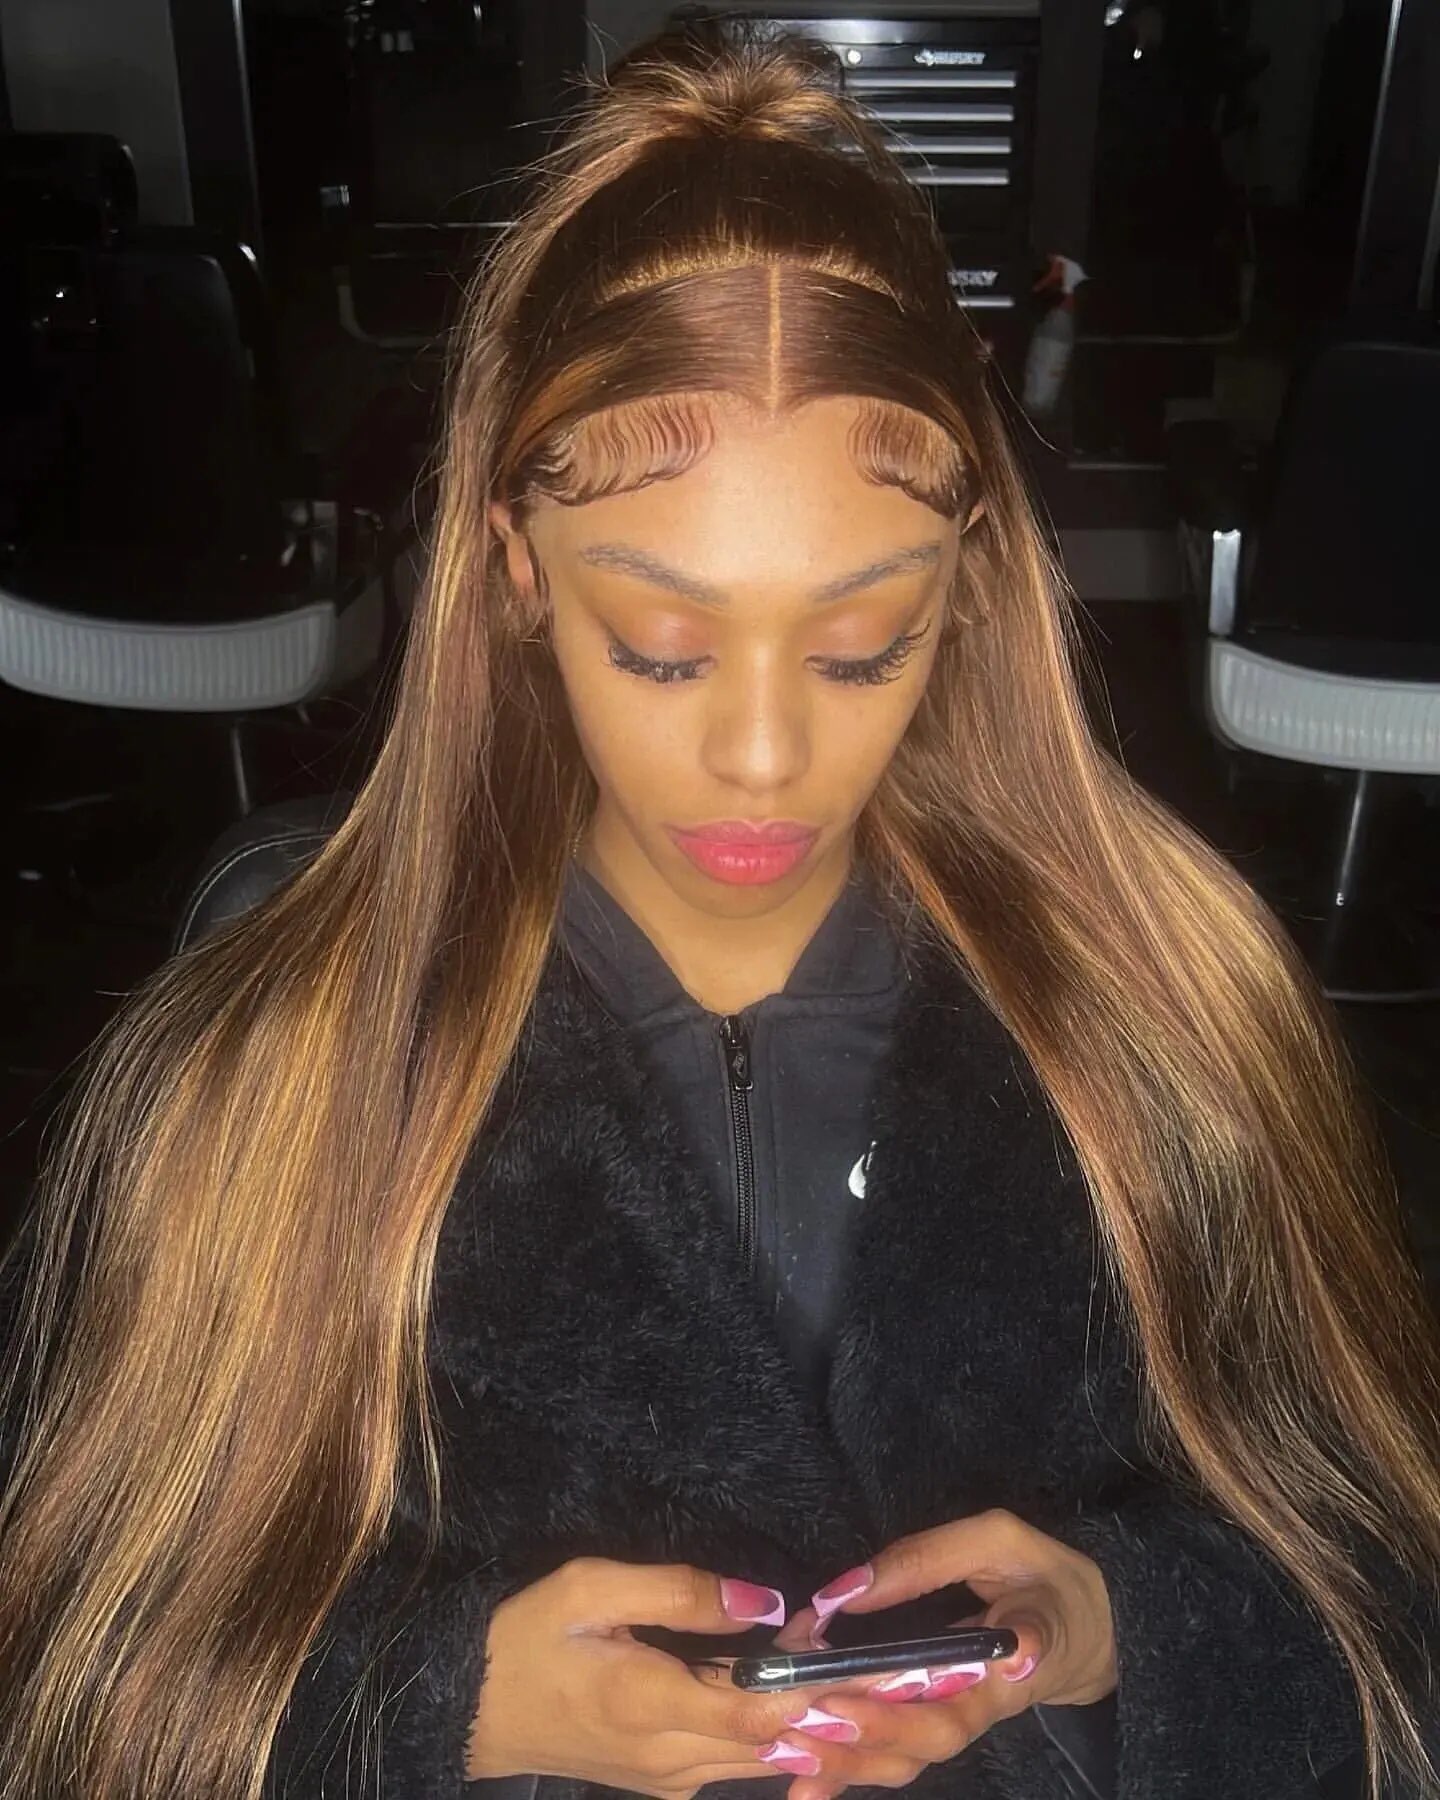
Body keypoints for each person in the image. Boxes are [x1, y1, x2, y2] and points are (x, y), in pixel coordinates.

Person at [0, 21, 1437, 1800]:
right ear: (518, 572)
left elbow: (1389, 1610)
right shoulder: (284, 1067)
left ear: (967, 585)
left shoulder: (1173, 1013)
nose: (763, 756)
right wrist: (434, 1703)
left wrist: (1121, 1623)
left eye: (864, 645)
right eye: (664, 647)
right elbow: (89, 1675)